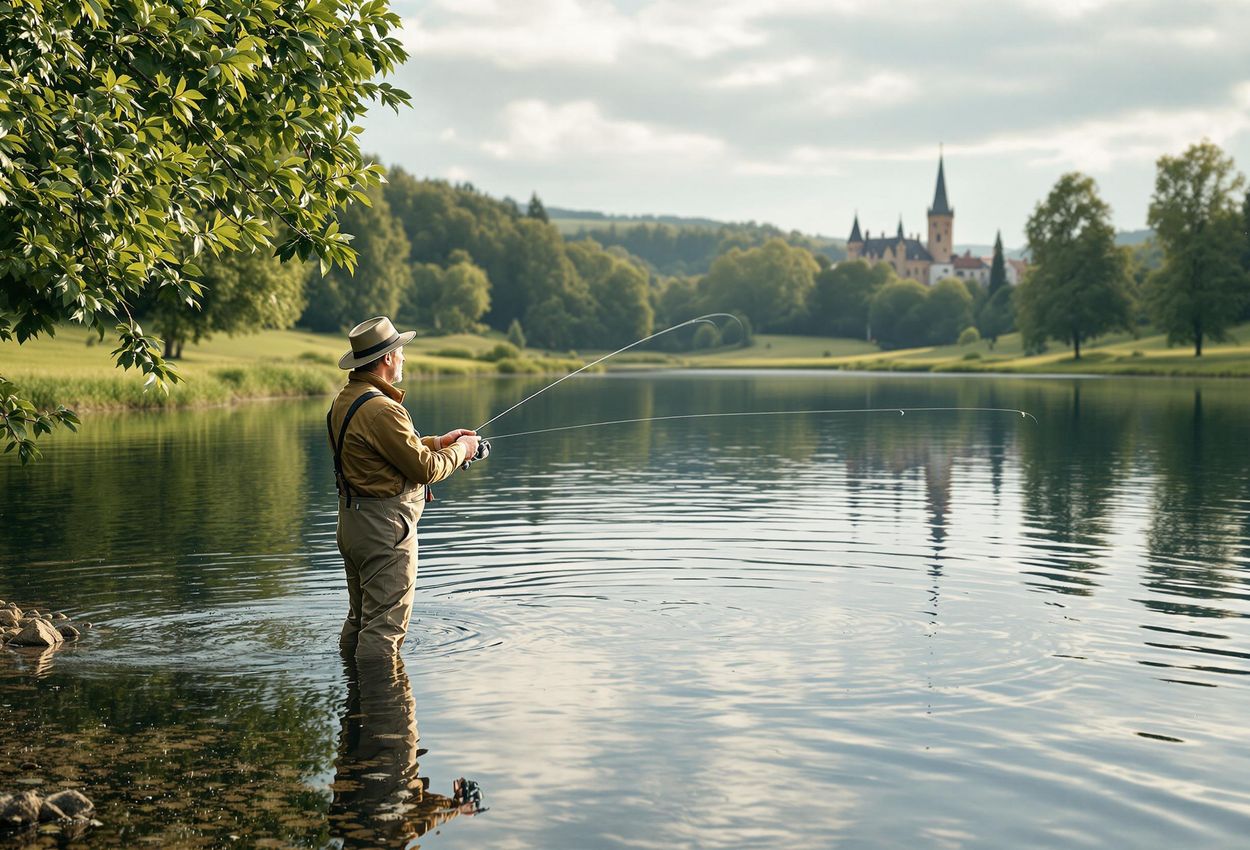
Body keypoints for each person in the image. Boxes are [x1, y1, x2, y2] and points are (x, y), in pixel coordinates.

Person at [328, 316, 482, 657]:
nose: (403, 358)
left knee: (360, 618)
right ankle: (384, 705)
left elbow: (381, 453)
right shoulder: (383, 409)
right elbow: (425, 469)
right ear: (386, 358)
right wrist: (463, 450)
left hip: (353, 525)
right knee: (384, 629)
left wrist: (439, 441)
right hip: (384, 532)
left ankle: (354, 700)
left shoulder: (348, 398)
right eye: (400, 352)